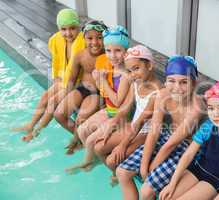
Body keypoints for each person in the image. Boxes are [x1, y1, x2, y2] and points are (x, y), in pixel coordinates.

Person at [116, 56, 204, 200]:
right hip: (165, 137)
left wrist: (151, 168)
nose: (177, 88)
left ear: (194, 84)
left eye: (184, 82)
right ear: (165, 81)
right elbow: (154, 132)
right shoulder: (163, 95)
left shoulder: (197, 107)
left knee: (146, 191)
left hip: (187, 148)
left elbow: (172, 144)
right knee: (122, 172)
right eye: (172, 81)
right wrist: (144, 166)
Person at [159, 81, 219, 200]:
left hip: (217, 178)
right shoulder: (208, 126)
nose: (215, 114)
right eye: (211, 108)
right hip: (199, 168)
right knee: (168, 197)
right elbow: (188, 155)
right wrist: (172, 184)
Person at [11, 9, 85, 142]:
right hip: (65, 81)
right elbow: (57, 61)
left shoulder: (82, 43)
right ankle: (30, 125)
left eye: (72, 28)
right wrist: (57, 79)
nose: (68, 33)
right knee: (45, 96)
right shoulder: (57, 40)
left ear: (78, 27)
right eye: (63, 29)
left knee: (53, 102)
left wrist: (63, 86)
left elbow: (76, 74)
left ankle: (37, 131)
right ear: (58, 28)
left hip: (78, 83)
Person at [93, 45, 162, 184]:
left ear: (149, 65)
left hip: (146, 133)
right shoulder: (136, 81)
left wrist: (123, 145)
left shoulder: (158, 92)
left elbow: (140, 122)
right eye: (130, 70)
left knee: (112, 160)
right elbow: (125, 107)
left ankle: (124, 176)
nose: (133, 74)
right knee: (98, 147)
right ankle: (116, 174)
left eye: (136, 68)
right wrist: (113, 123)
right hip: (133, 127)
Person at [64, 25, 131, 169]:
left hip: (121, 117)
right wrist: (97, 77)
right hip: (109, 111)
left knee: (90, 141)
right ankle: (93, 157)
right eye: (108, 51)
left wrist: (103, 81)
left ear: (126, 52)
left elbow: (118, 102)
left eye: (118, 51)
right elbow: (102, 91)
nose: (112, 55)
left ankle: (89, 162)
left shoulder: (125, 75)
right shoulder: (111, 68)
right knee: (82, 129)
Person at [54, 20, 108, 154]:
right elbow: (71, 79)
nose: (94, 42)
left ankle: (82, 141)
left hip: (97, 93)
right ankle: (78, 138)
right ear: (84, 38)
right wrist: (65, 96)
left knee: (81, 119)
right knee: (59, 114)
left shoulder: (109, 56)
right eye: (90, 38)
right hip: (82, 88)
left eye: (99, 38)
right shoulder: (80, 55)